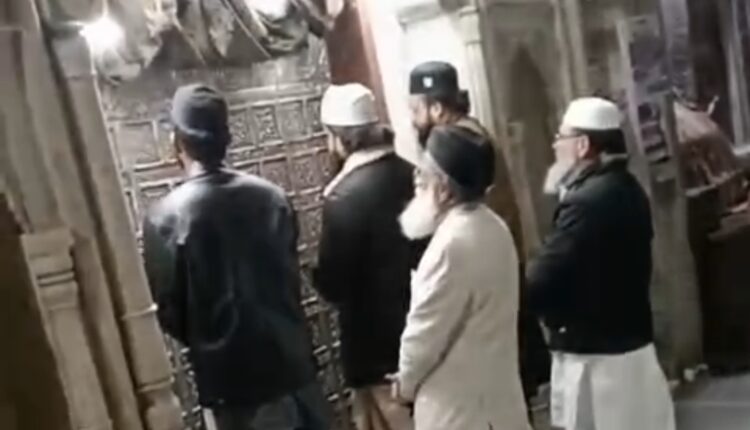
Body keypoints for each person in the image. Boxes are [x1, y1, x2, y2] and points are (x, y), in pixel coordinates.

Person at [142, 84, 330, 430]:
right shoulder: (272, 197)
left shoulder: (164, 218)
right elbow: (290, 278)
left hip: (231, 388)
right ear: (227, 137)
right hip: (294, 372)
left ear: (176, 142)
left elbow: (171, 312)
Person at [527, 97, 676, 430]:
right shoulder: (626, 187)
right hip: (628, 351)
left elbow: (546, 276)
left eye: (561, 137)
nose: (555, 145)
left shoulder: (586, 201)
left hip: (600, 364)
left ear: (582, 145)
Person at [408, 60, 550, 407]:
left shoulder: (461, 146)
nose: (412, 119)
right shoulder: (468, 137)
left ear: (436, 108)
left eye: (415, 109)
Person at [393, 124, 531, 430]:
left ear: (443, 189)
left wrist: (404, 384)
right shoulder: (494, 226)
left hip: (461, 413)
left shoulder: (451, 245)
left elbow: (424, 334)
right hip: (498, 406)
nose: (416, 181)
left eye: (423, 174)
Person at [314, 83, 418, 430]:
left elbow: (333, 283)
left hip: (376, 352)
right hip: (423, 334)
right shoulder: (414, 174)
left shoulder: (343, 196)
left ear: (338, 138)